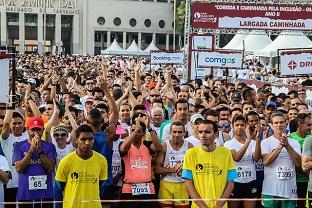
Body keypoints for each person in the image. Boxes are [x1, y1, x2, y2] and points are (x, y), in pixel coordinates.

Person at [182, 120, 237, 208]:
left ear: (215, 135)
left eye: (207, 132)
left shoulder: (226, 153)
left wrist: (218, 206)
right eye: (200, 132)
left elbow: (230, 184)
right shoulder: (190, 153)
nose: (203, 135)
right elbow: (188, 185)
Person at [54, 124, 108, 208]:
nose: (87, 143)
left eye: (90, 139)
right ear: (76, 140)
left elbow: (101, 187)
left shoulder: (102, 160)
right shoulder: (66, 161)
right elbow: (58, 189)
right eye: (83, 139)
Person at [12, 116, 56, 208]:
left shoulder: (50, 147)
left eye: (38, 130)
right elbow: (19, 168)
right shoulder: (18, 146)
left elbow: (50, 168)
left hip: (45, 195)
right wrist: (31, 150)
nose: (36, 133)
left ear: (43, 130)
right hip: (25, 195)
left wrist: (40, 150)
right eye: (33, 130)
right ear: (27, 130)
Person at [119, 116, 161, 208]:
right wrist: (135, 130)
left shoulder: (147, 144)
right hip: (129, 189)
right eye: (133, 130)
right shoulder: (124, 144)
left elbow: (158, 147)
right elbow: (123, 149)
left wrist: (150, 128)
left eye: (139, 131)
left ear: (143, 133)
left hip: (148, 189)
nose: (136, 133)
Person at [261, 113, 301, 208]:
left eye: (281, 122)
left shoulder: (294, 143)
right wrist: (280, 146)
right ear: (271, 125)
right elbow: (266, 162)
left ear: (286, 124)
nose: (279, 125)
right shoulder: (265, 142)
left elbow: (299, 163)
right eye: (276, 123)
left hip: (289, 190)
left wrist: (287, 146)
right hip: (270, 190)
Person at [224, 115, 261, 208]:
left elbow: (256, 158)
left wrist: (256, 139)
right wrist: (248, 141)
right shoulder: (228, 143)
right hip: (235, 182)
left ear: (246, 126)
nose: (239, 127)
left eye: (242, 125)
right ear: (233, 126)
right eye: (237, 125)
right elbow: (236, 157)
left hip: (250, 181)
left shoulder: (253, 142)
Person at [155, 121, 193, 208]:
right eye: (174, 132)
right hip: (166, 184)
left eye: (180, 132)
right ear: (170, 132)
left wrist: (185, 169)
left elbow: (194, 169)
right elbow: (157, 170)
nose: (177, 135)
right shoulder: (165, 146)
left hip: (183, 185)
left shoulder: (189, 146)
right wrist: (173, 169)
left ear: (184, 133)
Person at [1, 111, 29, 208]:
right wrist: (10, 106)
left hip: (27, 184)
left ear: (23, 124)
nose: (17, 126)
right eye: (14, 123)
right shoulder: (6, 139)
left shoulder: (28, 136)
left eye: (19, 123)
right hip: (11, 184)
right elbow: (6, 124)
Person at [290, 113, 312, 208]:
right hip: (295, 181)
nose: (311, 127)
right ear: (299, 124)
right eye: (308, 125)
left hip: (308, 181)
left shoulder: (310, 139)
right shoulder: (289, 138)